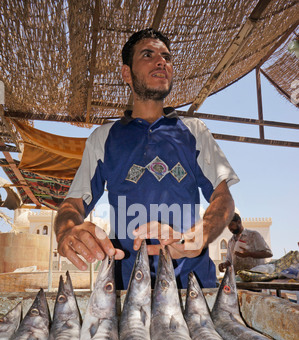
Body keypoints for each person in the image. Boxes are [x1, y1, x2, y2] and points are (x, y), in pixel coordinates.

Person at [54, 28, 240, 289]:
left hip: (194, 287)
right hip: (126, 290)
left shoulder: (195, 131)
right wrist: (65, 232)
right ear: (126, 73)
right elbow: (72, 206)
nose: (161, 61)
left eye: (166, 56)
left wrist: (200, 236)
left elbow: (223, 199)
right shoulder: (103, 138)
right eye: (148, 54)